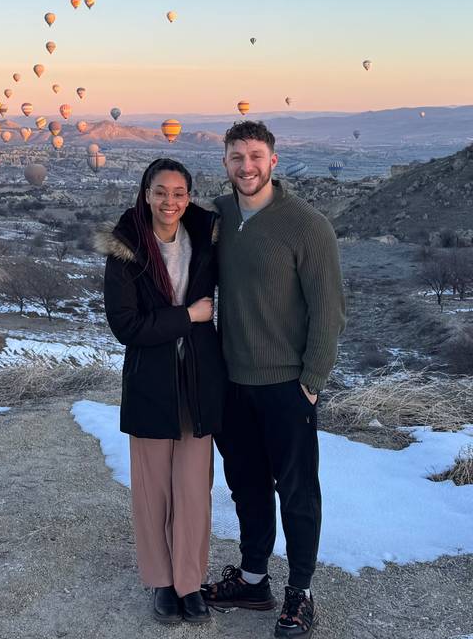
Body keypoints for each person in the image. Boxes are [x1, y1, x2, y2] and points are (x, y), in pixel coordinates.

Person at [202, 121, 345, 637]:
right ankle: (254, 579)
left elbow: (329, 312)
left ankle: (300, 592)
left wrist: (312, 380)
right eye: (237, 156)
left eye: (256, 155)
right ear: (224, 161)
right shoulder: (216, 216)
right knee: (247, 487)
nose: (247, 166)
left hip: (287, 385)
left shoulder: (306, 225)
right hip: (232, 383)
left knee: (298, 491)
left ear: (274, 160)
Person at [98, 158, 226, 626]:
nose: (169, 201)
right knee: (153, 492)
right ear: (145, 194)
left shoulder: (207, 241)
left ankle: (190, 582)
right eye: (160, 192)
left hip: (198, 382)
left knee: (194, 490)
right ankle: (162, 582)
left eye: (178, 193)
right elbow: (126, 326)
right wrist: (188, 317)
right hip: (151, 383)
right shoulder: (126, 249)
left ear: (188, 196)